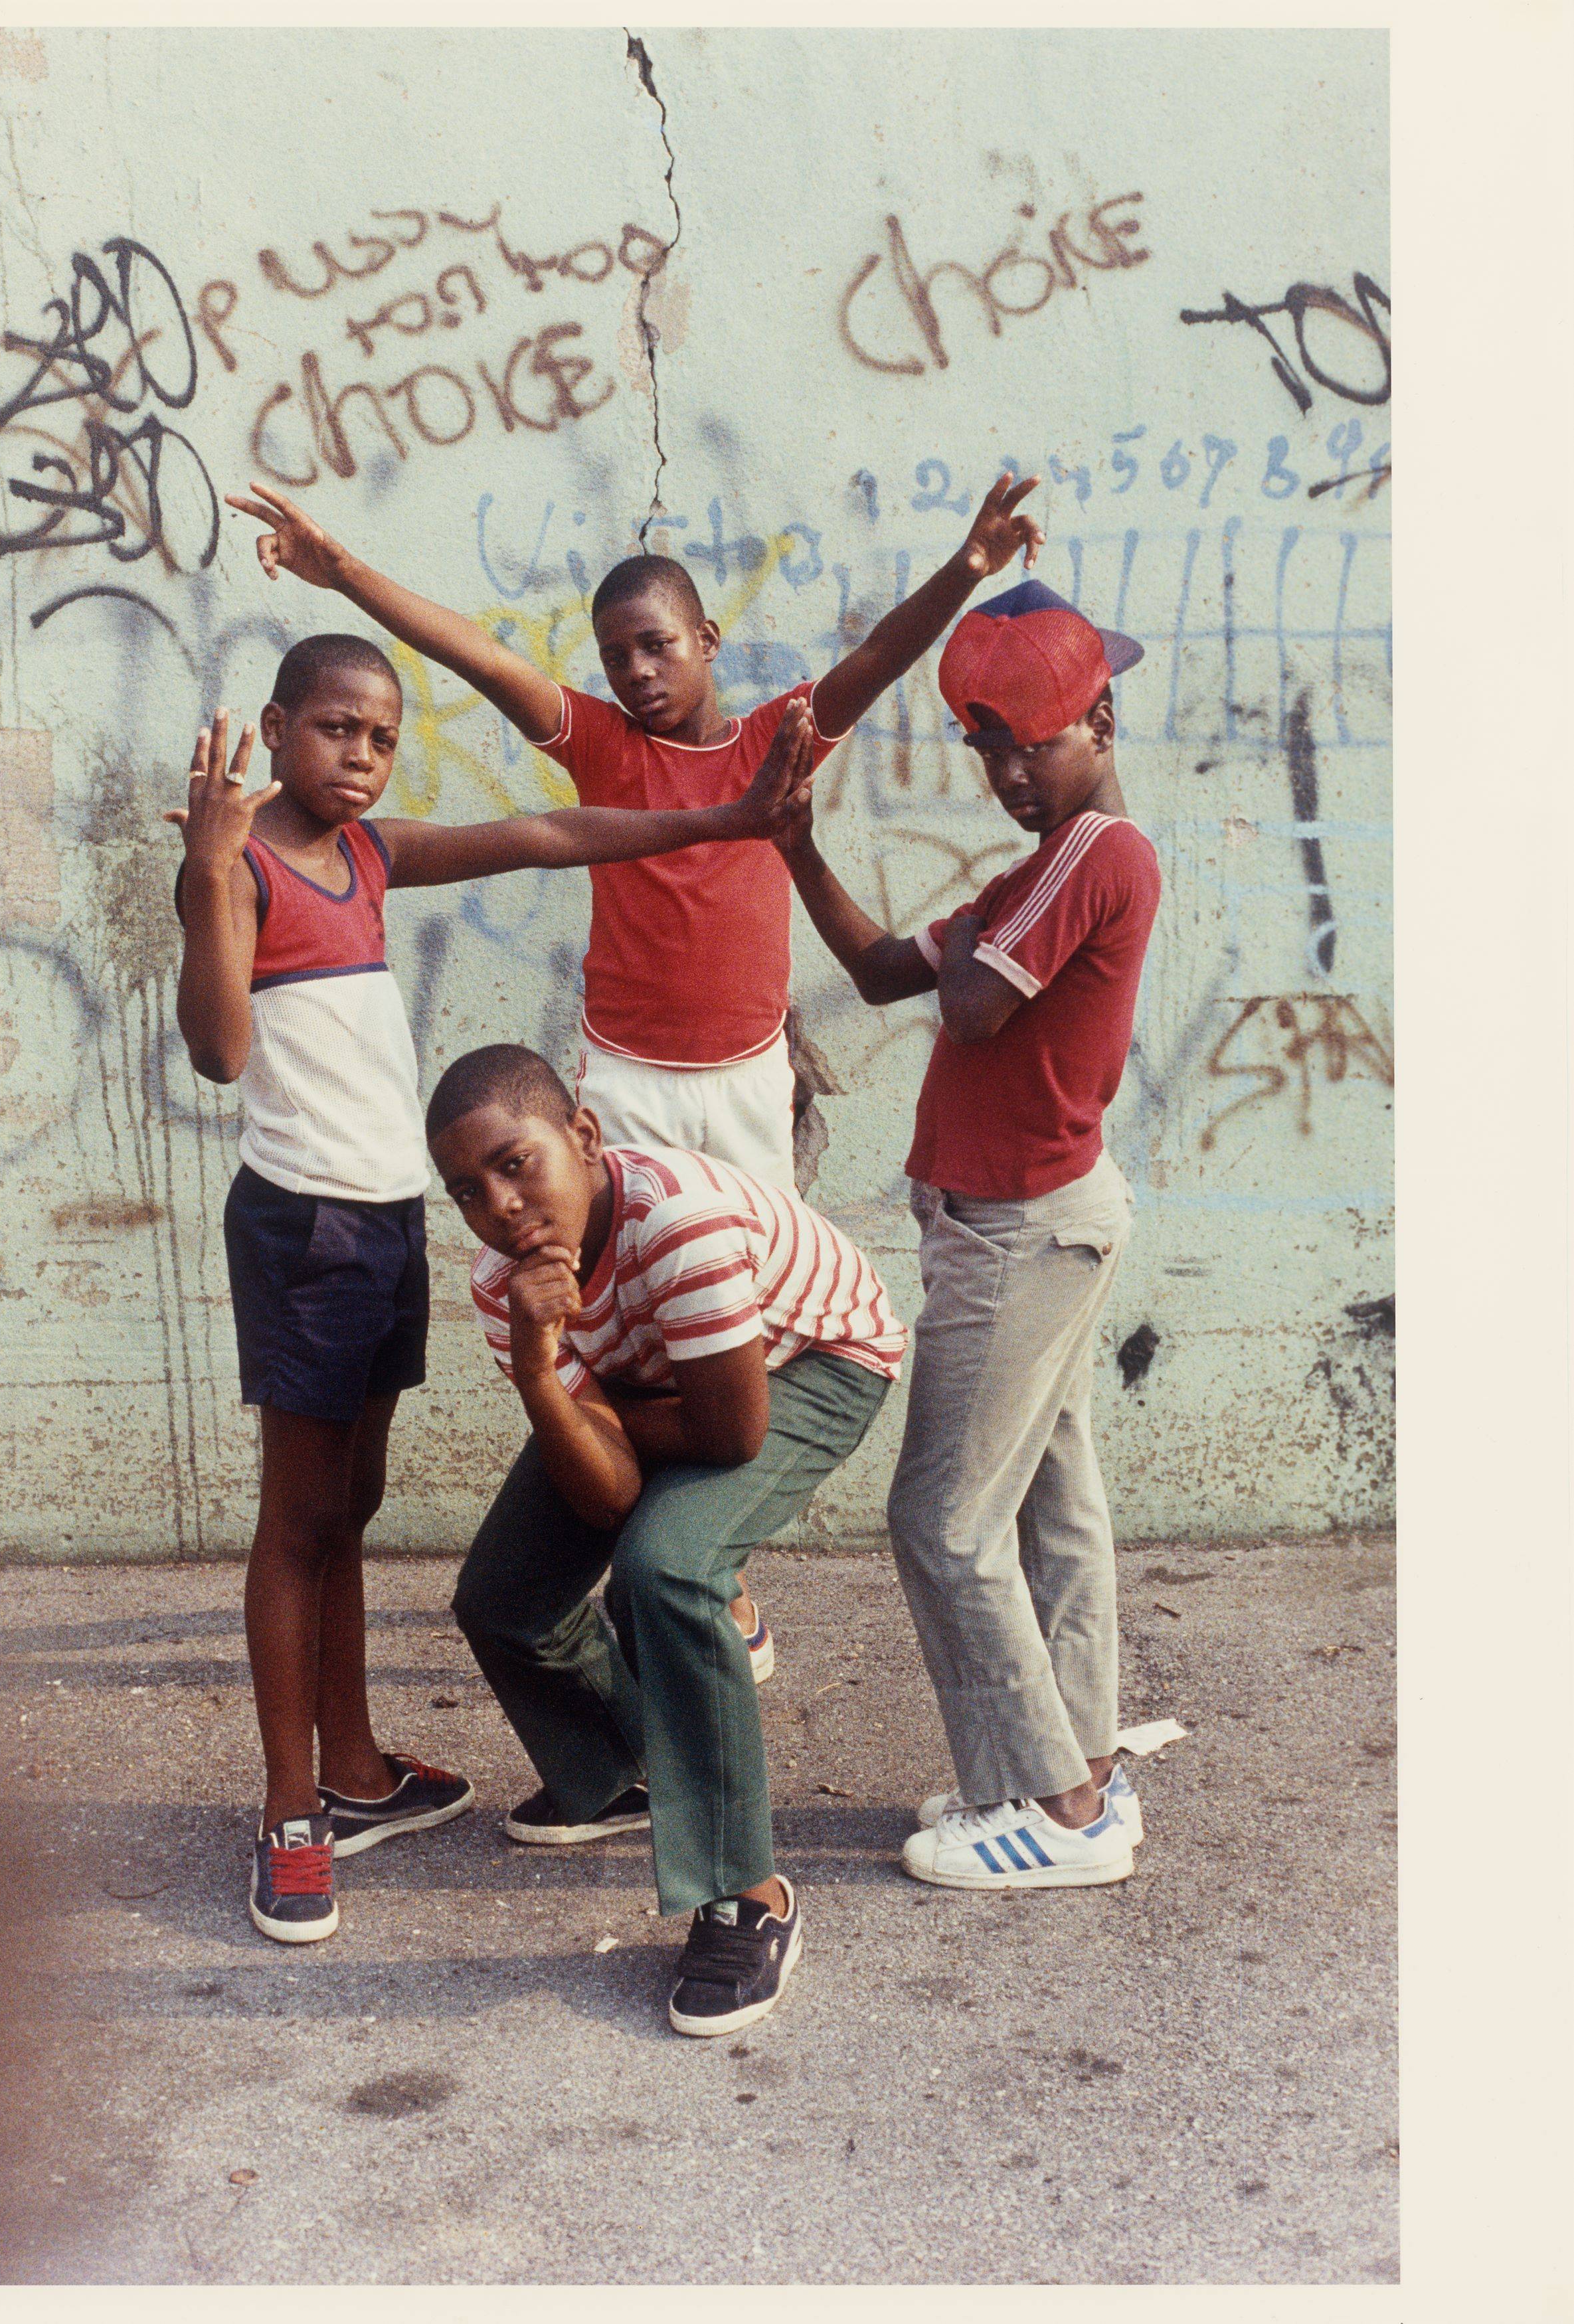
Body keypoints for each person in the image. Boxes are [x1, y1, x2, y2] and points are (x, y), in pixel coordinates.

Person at [224, 469, 1043, 1674]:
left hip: (748, 1080)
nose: (637, 673)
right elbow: (472, 655)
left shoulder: (777, 739)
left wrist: (967, 570)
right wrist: (338, 568)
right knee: (618, 1323)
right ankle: (626, 1549)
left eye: (656, 646)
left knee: (741, 1333)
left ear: (706, 641)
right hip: (625, 1087)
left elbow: (877, 654)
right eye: (616, 657)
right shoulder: (602, 744)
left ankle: (720, 1568)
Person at [168, 638, 816, 1943]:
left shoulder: (365, 855)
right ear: (279, 727)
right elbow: (221, 1049)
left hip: (385, 1226)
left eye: (382, 736)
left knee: (350, 1501)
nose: (360, 753)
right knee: (298, 1524)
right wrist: (205, 872)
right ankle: (293, 1816)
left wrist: (734, 815)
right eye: (334, 727)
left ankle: (354, 1771)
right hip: (302, 1233)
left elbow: (542, 830)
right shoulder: (238, 865)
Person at [771, 579, 1162, 1891]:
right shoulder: (1036, 866)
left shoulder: (1097, 853)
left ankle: (1049, 1810)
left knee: (940, 1518)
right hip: (1017, 1231)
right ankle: (1080, 1773)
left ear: (1100, 716)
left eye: (1031, 742)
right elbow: (895, 970)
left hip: (1022, 1238)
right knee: (1052, 1504)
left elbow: (980, 1005)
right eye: (986, 746)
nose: (1006, 772)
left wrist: (976, 947)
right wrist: (795, 847)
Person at [425, 1035, 905, 2036]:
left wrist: (597, 1418)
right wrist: (535, 1364)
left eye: (516, 1165)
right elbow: (601, 1496)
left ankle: (747, 1895)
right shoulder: (502, 1286)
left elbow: (730, 1432)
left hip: (809, 1359)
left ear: (584, 1136)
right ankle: (623, 1771)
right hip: (668, 1380)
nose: (501, 1206)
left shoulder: (676, 1222)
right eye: (468, 1190)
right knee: (504, 1597)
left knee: (668, 1569)